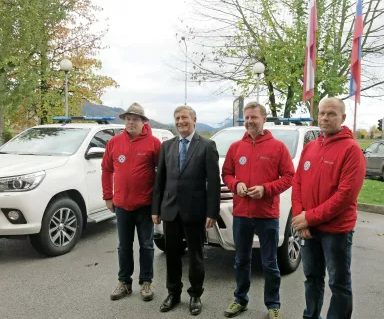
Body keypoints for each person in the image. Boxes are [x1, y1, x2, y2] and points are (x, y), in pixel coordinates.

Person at [291, 97, 366, 319]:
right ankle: (310, 315)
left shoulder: (351, 150)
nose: (325, 118)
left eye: (331, 113)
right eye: (322, 113)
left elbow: (345, 196)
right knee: (312, 278)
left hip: (336, 231)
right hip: (309, 228)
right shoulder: (310, 147)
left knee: (339, 283)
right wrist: (299, 217)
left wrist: (309, 218)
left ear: (342, 118)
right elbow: (298, 183)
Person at [221, 102, 295, 319]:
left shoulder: (278, 147)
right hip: (242, 214)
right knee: (241, 261)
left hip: (267, 215)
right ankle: (240, 300)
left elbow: (289, 177)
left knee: (270, 263)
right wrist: (236, 185)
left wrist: (266, 189)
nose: (250, 121)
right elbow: (226, 174)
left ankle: (273, 305)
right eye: (246, 118)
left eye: (254, 117)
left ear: (264, 119)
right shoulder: (236, 147)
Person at [152, 105, 220, 316]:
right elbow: (160, 180)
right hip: (170, 210)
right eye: (177, 118)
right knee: (171, 255)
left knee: (196, 256)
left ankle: (195, 294)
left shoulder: (207, 146)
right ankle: (173, 293)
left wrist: (212, 212)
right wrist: (156, 208)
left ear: (194, 120)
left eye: (184, 118)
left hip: (195, 211)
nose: (181, 122)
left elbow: (214, 183)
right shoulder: (167, 146)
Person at [101, 103, 162, 302]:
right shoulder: (114, 142)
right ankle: (124, 282)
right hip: (121, 205)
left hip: (145, 205)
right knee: (124, 246)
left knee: (147, 245)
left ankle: (146, 282)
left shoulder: (153, 143)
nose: (130, 122)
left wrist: (157, 204)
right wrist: (108, 196)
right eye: (127, 118)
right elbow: (106, 170)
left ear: (143, 122)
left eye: (135, 119)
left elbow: (161, 175)